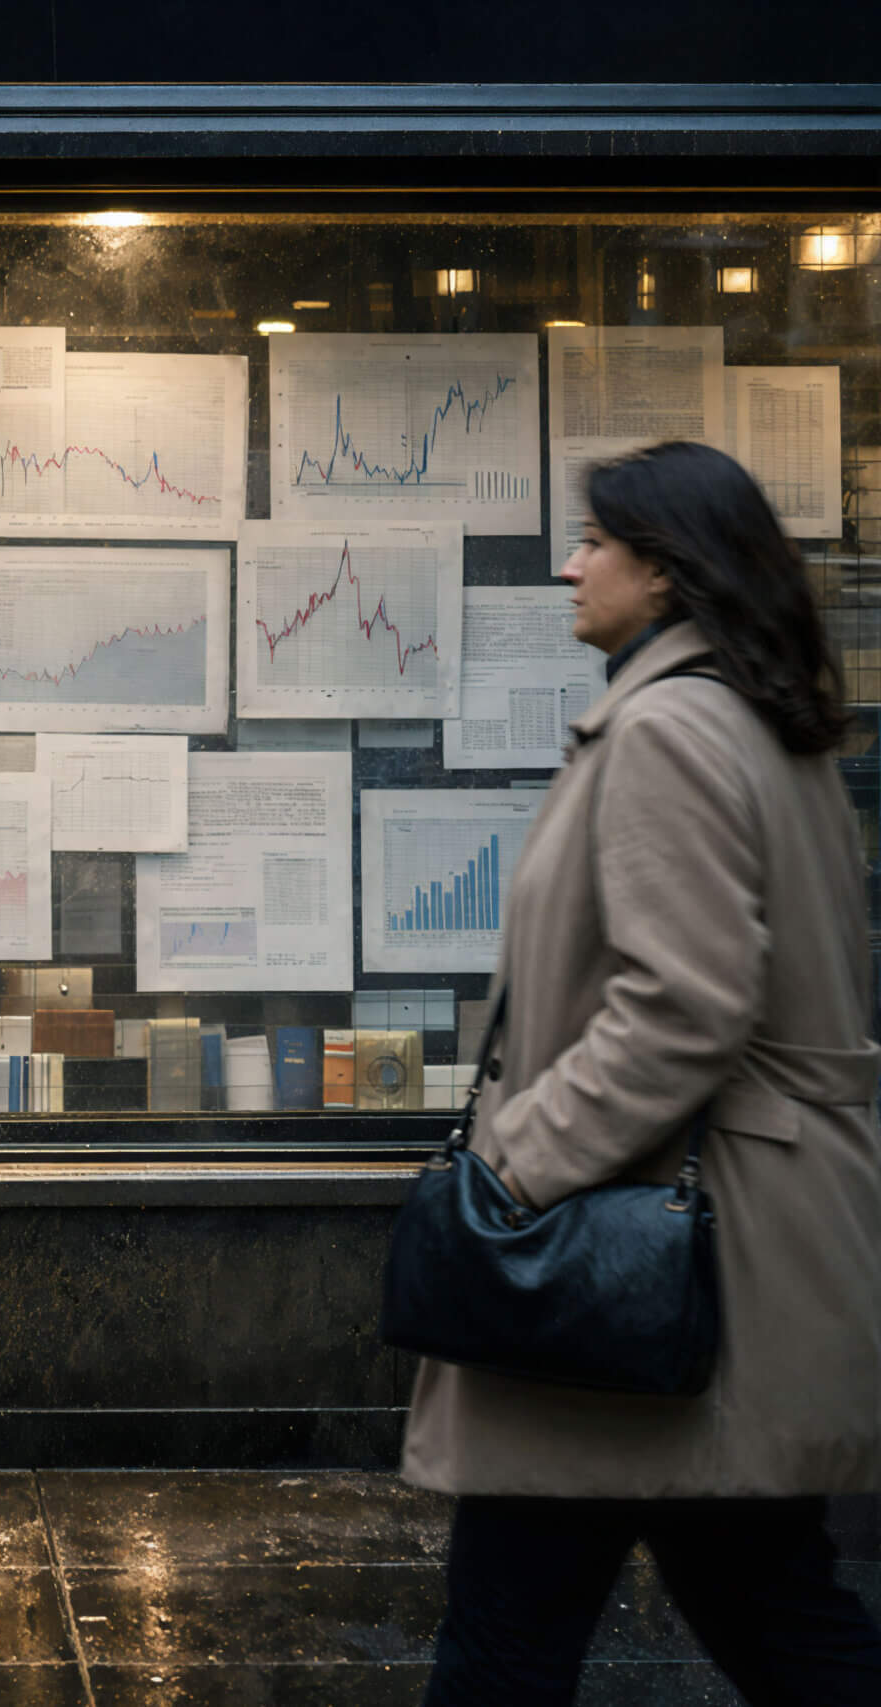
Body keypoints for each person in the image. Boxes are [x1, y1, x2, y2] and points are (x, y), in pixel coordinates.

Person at [404, 439, 881, 1704]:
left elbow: (680, 1008)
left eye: (595, 544)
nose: (570, 566)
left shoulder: (669, 728)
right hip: (725, 1253)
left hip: (646, 1252)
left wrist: (510, 1167)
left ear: (663, 575)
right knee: (769, 1608)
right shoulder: (757, 717)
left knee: (510, 1637)